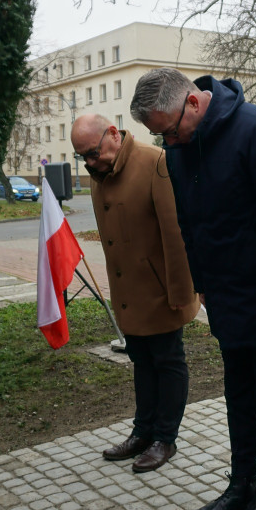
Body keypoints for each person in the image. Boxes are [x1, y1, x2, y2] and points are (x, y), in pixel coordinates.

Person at [129, 67, 256, 510]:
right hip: (226, 298)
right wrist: (203, 285)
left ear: (192, 102)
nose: (167, 140)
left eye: (168, 129)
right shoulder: (183, 145)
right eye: (158, 134)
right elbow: (190, 222)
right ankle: (240, 486)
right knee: (238, 398)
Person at [70, 114, 200, 473]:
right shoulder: (100, 175)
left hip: (161, 289)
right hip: (129, 290)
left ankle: (164, 438)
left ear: (113, 133)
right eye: (83, 157)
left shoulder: (154, 162)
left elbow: (175, 234)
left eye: (94, 153)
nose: (90, 163)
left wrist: (180, 291)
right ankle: (142, 432)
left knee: (168, 361)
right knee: (141, 361)